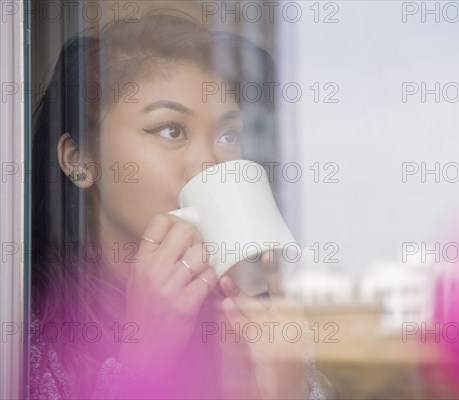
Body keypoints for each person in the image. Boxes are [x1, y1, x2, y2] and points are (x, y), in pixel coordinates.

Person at [30, 9, 328, 399]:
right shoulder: (25, 333)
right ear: (79, 160)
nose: (207, 165)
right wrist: (141, 363)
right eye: (171, 130)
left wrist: (289, 390)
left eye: (227, 135)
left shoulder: (248, 320)